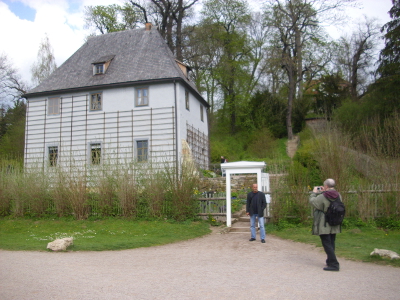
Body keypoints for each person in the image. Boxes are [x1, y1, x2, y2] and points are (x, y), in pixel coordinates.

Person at [309, 178, 342, 271]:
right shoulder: (338, 195)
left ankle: (334, 264)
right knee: (331, 242)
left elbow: (313, 201)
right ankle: (330, 261)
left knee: (326, 243)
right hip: (335, 221)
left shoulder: (324, 196)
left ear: (326, 186)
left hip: (324, 222)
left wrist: (314, 192)